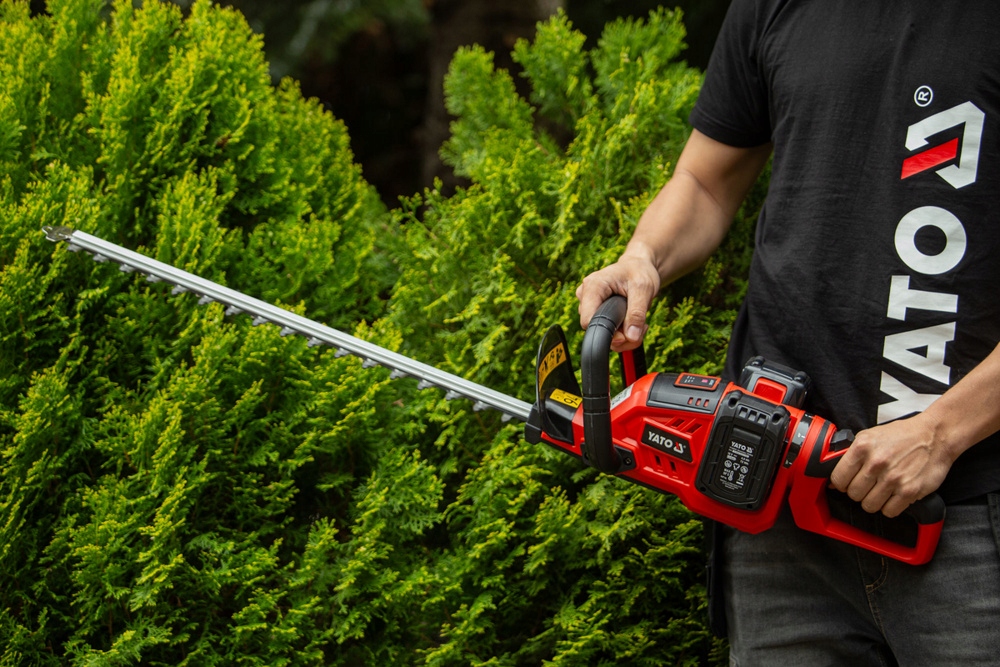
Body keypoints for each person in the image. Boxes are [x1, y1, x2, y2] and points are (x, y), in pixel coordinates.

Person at [575, 2, 1000, 664]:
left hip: (963, 521)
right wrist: (644, 256)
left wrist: (941, 432)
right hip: (774, 506)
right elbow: (705, 182)